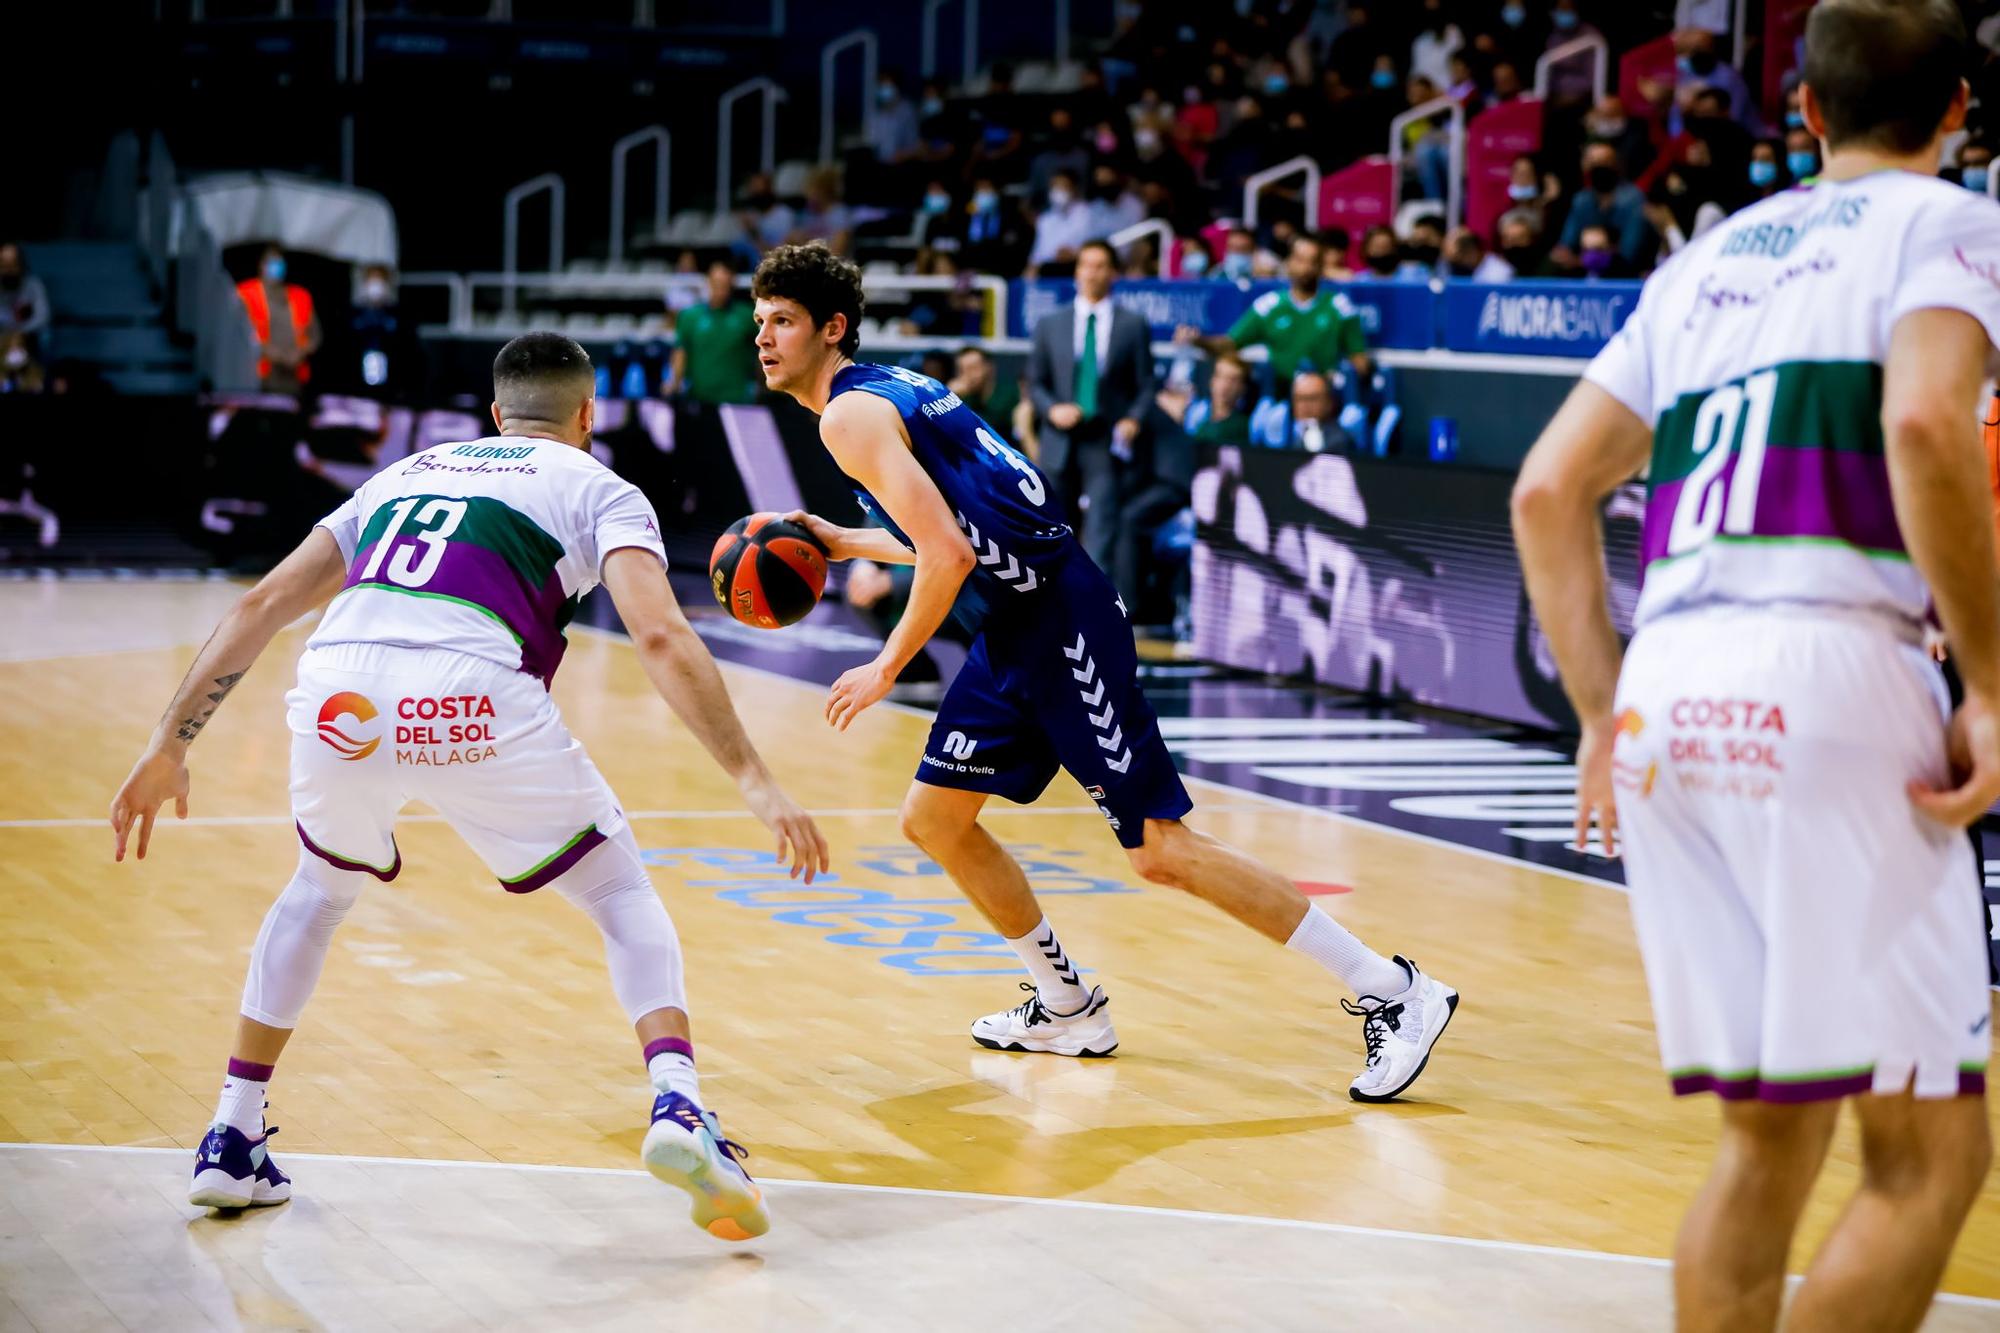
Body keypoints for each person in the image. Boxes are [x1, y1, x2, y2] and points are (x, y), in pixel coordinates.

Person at [110, 332, 828, 1242]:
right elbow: (659, 636)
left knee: (319, 889)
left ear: (494, 413)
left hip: (337, 687)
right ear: (587, 417)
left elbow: (259, 605)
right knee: (614, 886)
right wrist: (756, 780)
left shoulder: (404, 473)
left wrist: (167, 743)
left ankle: (230, 1132)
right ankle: (681, 1108)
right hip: (469, 686)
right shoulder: (596, 485)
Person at [1511, 4, 2000, 1327]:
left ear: (1805, 115)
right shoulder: (1949, 225)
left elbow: (1550, 491)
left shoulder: (1702, 260)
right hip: (1832, 672)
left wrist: (1603, 711)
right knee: (1929, 1156)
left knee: (1766, 1143)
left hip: (1671, 692)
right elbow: (1923, 422)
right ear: (1962, 110)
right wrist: (1997, 689)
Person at [751, 240, 1456, 1099]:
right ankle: (1068, 1003)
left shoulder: (847, 419)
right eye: (759, 321)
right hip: (1015, 627)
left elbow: (943, 555)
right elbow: (959, 534)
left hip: (1058, 622)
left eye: (782, 320)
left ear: (832, 328)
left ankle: (1395, 988)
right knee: (935, 818)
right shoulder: (891, 389)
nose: (764, 336)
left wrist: (885, 665)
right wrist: (844, 538)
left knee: (1162, 850)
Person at [1025, 239, 1151, 567]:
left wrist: (1133, 418)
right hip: (1059, 440)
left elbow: (1147, 384)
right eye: (1085, 265)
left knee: (1101, 534)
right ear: (1076, 272)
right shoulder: (1050, 323)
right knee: (1054, 531)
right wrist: (1052, 409)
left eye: (1099, 266)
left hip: (1105, 440)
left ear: (1113, 272)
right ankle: (1053, 610)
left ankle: (1096, 612)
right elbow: (1035, 383)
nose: (1091, 273)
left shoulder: (1132, 325)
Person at [1180, 233, 1372, 385]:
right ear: (1289, 263)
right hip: (1281, 392)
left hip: (1324, 393)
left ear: (1321, 266)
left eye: (1313, 261)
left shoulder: (1340, 306)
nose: (1306, 268)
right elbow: (1229, 344)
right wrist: (1198, 341)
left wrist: (1349, 380)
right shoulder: (1269, 306)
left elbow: (1359, 358)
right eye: (1300, 260)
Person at [1555, 144, 1657, 275]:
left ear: (1617, 165)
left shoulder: (1633, 199)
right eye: (1594, 164)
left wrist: (1590, 257)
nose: (1599, 169)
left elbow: (1629, 253)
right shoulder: (1581, 200)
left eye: (1604, 163)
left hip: (1627, 273)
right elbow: (1566, 244)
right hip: (1581, 272)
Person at [669, 259, 759, 406]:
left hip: (738, 399)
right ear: (708, 282)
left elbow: (761, 354)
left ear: (732, 284)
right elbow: (681, 353)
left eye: (725, 284)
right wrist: (674, 383)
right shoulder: (689, 316)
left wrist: (762, 386)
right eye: (717, 283)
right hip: (699, 398)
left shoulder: (747, 315)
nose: (721, 289)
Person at [237, 244, 322, 395]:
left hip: (294, 379)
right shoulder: (245, 294)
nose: (276, 268)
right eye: (271, 262)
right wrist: (271, 352)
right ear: (261, 265)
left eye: (279, 263)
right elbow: (239, 333)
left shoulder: (301, 296)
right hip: (259, 379)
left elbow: (315, 336)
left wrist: (300, 352)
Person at [0, 243, 51, 364]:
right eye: (4, 264)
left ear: (21, 264)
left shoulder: (34, 285)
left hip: (29, 336)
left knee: (46, 335)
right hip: (3, 335)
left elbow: (43, 316)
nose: (9, 269)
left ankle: (38, 375)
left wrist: (22, 332)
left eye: (13, 263)